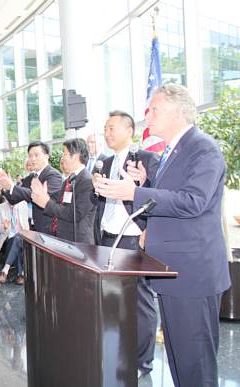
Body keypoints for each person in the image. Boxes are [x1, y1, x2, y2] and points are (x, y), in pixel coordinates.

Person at [94, 84, 230, 387]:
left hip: (193, 273)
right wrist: (146, 182)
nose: (148, 115)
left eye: (154, 109)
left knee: (195, 363)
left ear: (177, 111)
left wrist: (136, 191)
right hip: (173, 270)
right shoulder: (173, 151)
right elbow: (169, 196)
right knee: (179, 358)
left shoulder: (203, 148)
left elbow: (194, 201)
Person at [92, 110, 160, 378]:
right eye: (105, 129)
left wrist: (149, 229)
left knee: (140, 300)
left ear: (129, 130)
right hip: (108, 236)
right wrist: (95, 186)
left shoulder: (145, 158)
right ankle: (119, 353)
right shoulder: (104, 162)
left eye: (112, 128)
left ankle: (143, 361)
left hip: (133, 236)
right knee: (114, 299)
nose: (107, 133)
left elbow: (155, 196)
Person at [30, 138, 96, 244]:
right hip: (64, 239)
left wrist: (46, 203)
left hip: (79, 243)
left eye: (64, 154)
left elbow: (74, 214)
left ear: (75, 156)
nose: (62, 157)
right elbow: (62, 207)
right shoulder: (68, 181)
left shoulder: (87, 181)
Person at [0, 141, 62, 235]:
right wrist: (5, 187)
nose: (32, 159)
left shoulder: (53, 175)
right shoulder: (31, 177)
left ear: (46, 156)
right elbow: (13, 200)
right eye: (30, 156)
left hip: (51, 228)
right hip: (36, 228)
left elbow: (38, 197)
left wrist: (12, 186)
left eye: (36, 155)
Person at [0, 200, 29, 287]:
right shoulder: (1, 207)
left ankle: (5, 270)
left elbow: (26, 225)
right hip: (7, 239)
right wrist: (4, 227)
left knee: (17, 239)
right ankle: (20, 274)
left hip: (22, 237)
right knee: (15, 240)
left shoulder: (23, 205)